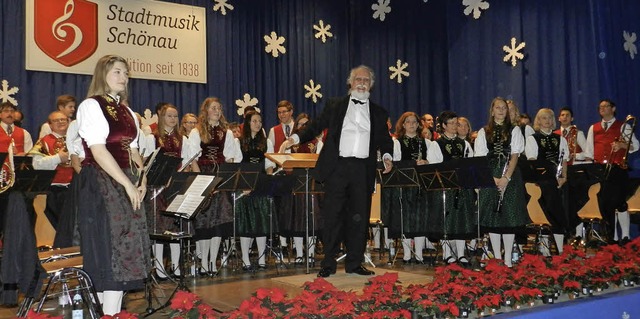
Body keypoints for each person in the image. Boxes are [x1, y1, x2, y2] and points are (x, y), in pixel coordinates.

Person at [280, 65, 393, 277]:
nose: (361, 83)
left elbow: (385, 140)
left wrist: (387, 156)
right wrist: (294, 138)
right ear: (350, 83)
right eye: (358, 79)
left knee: (359, 218)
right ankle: (328, 264)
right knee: (332, 217)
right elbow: (316, 125)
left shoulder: (378, 112)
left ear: (371, 85)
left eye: (366, 80)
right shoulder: (335, 105)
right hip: (337, 167)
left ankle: (354, 263)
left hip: (362, 170)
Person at [75, 55, 149, 315]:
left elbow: (135, 152)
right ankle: (101, 313)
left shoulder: (128, 112)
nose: (123, 77)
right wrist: (126, 184)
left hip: (124, 182)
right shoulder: (91, 106)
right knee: (106, 253)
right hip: (100, 184)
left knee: (124, 253)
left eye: (126, 73)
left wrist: (141, 181)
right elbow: (98, 151)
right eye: (117, 72)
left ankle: (113, 314)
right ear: (102, 74)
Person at [189, 97, 242, 276]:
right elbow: (193, 159)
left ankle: (213, 260)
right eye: (214, 108)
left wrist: (226, 177)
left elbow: (229, 157)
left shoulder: (225, 132)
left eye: (219, 108)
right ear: (206, 111)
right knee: (204, 221)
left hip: (219, 175)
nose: (217, 111)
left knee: (219, 220)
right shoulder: (196, 131)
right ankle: (203, 261)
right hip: (203, 174)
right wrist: (200, 181)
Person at [474, 97, 529, 267]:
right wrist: (492, 178)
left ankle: (507, 260)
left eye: (504, 108)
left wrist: (506, 178)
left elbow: (514, 156)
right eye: (497, 108)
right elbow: (481, 157)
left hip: (509, 176)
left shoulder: (514, 130)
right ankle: (496, 257)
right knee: (493, 217)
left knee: (508, 218)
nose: (501, 111)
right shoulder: (484, 131)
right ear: (492, 111)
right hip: (490, 175)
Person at [148, 104, 197, 279]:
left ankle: (176, 267)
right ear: (161, 117)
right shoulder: (152, 137)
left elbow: (186, 163)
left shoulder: (183, 139)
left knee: (176, 227)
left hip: (175, 187)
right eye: (169, 116)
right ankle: (160, 268)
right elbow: (147, 162)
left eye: (175, 116)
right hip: (157, 188)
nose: (173, 119)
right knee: (159, 227)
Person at [384, 112, 436, 264]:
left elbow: (434, 163)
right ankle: (407, 254)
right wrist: (413, 164)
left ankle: (419, 254)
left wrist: (426, 163)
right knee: (406, 219)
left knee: (420, 219)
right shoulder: (397, 142)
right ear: (403, 124)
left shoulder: (426, 143)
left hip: (421, 185)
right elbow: (396, 163)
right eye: (408, 122)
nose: (412, 124)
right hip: (405, 185)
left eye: (414, 122)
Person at [584, 99, 639, 244]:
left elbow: (636, 146)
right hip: (600, 169)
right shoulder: (593, 128)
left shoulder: (623, 126)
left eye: (605, 106)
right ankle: (612, 237)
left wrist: (622, 145)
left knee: (619, 202)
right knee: (605, 204)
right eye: (600, 107)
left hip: (617, 169)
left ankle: (626, 236)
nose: (602, 109)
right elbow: (589, 151)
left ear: (613, 109)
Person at [430, 111, 476, 265]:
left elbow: (471, 164)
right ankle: (447, 253)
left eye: (457, 123)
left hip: (463, 188)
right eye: (452, 123)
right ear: (443, 126)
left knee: (462, 220)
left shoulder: (465, 144)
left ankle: (461, 254)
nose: (456, 126)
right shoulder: (436, 144)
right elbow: (434, 167)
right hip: (446, 189)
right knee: (447, 221)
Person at [524, 108, 572, 255]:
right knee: (550, 205)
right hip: (541, 180)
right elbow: (532, 161)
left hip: (558, 180)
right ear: (538, 121)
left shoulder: (560, 139)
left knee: (566, 202)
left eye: (550, 118)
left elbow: (563, 160)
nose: (547, 121)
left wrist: (563, 177)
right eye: (544, 118)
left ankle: (560, 248)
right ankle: (546, 248)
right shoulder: (533, 138)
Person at [236, 110, 276, 270]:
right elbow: (237, 165)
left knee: (261, 223)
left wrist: (268, 183)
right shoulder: (238, 142)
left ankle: (261, 259)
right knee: (246, 223)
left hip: (260, 184)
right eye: (254, 121)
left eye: (260, 121)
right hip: (245, 186)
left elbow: (269, 166)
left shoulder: (266, 142)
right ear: (247, 123)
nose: (258, 123)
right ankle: (245, 259)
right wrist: (243, 186)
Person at [29, 111, 73, 230]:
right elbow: (36, 164)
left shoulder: (77, 139)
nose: (60, 122)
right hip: (55, 190)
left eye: (63, 119)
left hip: (77, 188)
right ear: (50, 125)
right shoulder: (43, 141)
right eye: (56, 120)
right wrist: (58, 158)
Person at [554, 107, 590, 238]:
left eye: (567, 115)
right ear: (558, 118)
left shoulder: (578, 133)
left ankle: (579, 234)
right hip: (559, 172)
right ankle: (563, 230)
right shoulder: (555, 134)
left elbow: (588, 153)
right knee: (561, 203)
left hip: (574, 171)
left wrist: (574, 156)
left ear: (572, 118)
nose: (564, 117)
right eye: (562, 115)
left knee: (575, 202)